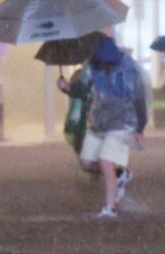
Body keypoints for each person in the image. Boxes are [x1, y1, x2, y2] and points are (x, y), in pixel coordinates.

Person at [59, 36, 148, 218]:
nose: (106, 67)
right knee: (86, 163)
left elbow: (139, 100)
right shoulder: (91, 66)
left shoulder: (130, 69)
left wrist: (140, 128)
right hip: (99, 122)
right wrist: (67, 88)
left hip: (123, 122)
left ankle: (109, 208)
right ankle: (121, 174)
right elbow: (81, 91)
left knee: (106, 162)